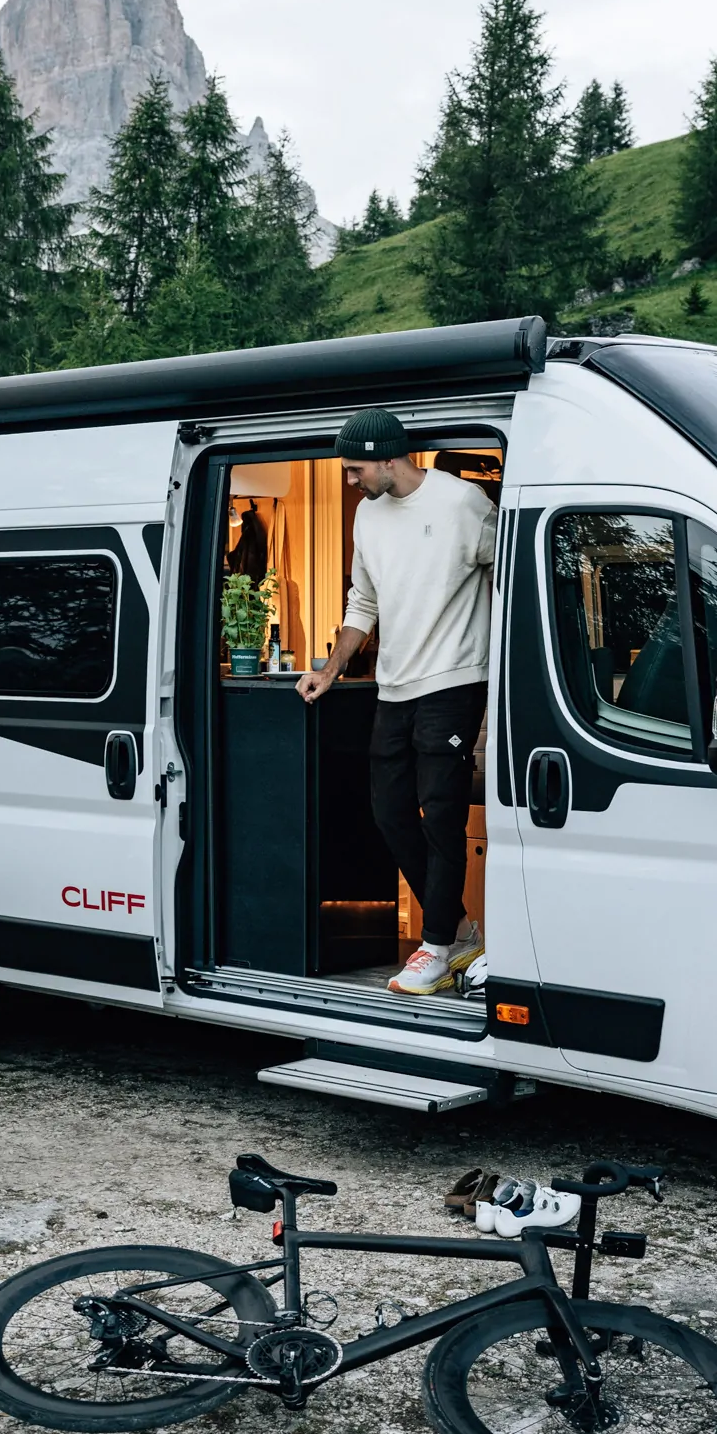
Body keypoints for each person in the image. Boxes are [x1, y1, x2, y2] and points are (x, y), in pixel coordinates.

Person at [297, 409, 497, 996]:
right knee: (387, 812)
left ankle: (436, 945)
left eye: (356, 469)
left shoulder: (464, 505)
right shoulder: (367, 514)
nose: (350, 480)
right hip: (394, 686)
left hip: (455, 681)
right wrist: (331, 670)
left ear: (389, 458)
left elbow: (511, 579)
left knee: (442, 818)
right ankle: (460, 928)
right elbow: (363, 602)